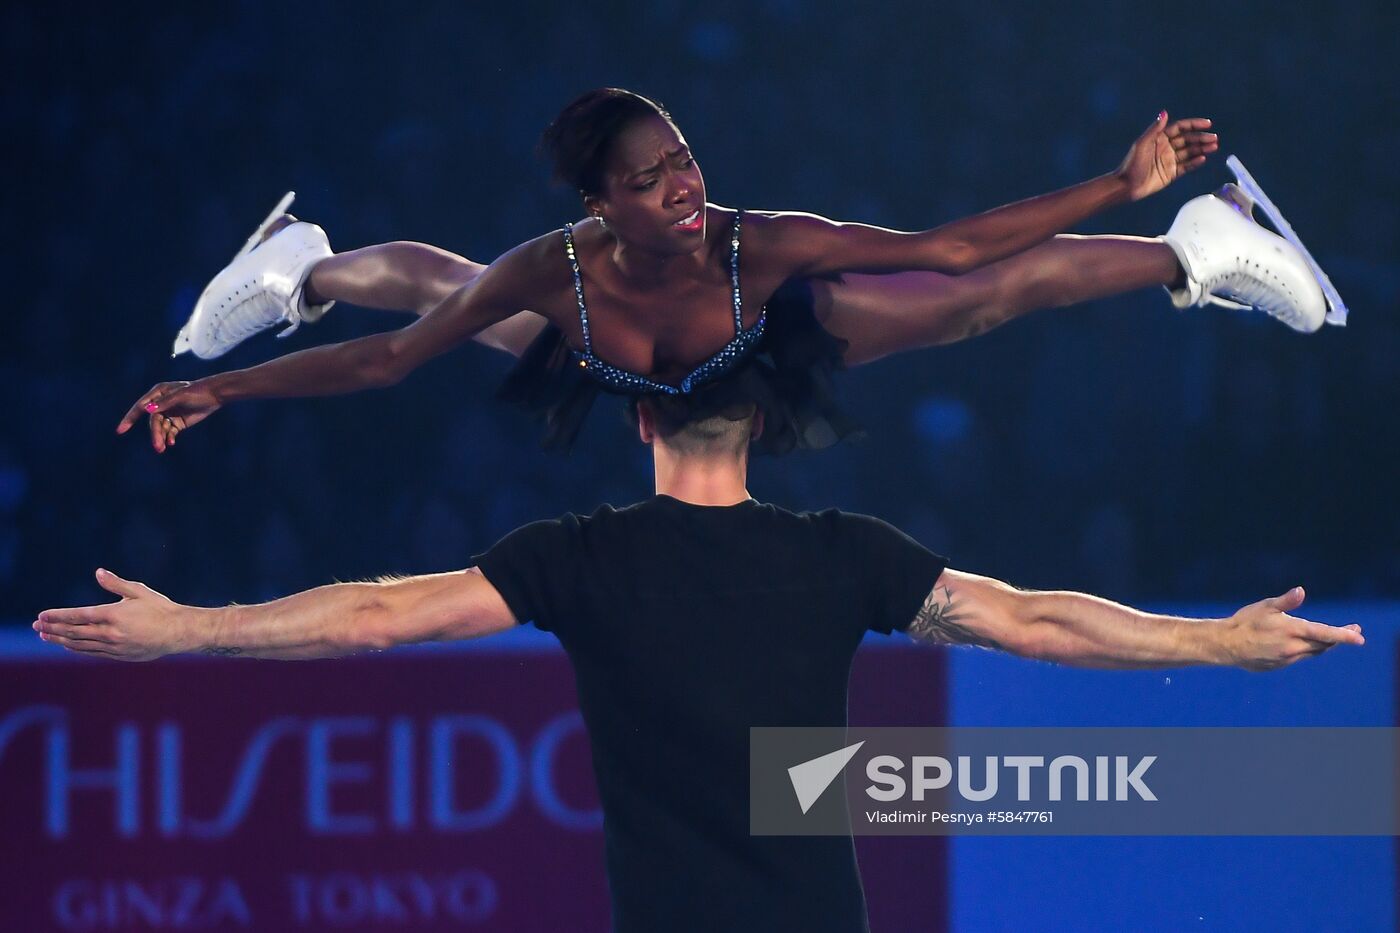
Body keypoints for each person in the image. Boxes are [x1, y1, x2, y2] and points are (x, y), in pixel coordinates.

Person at [46, 377, 1363, 932]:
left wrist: (187, 631)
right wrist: (1224, 645)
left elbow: (377, 613)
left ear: (640, 428)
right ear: (762, 428)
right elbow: (1038, 619)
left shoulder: (585, 553)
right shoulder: (843, 550)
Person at [120, 88, 1326, 451]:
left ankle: (1192, 250)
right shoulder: (556, 268)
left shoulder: (756, 241)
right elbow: (387, 365)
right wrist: (225, 391)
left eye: (685, 160)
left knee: (969, 302)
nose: (683, 187)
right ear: (601, 206)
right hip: (609, 351)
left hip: (756, 338)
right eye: (651, 182)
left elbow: (952, 246)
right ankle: (300, 269)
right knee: (439, 289)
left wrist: (1125, 187)